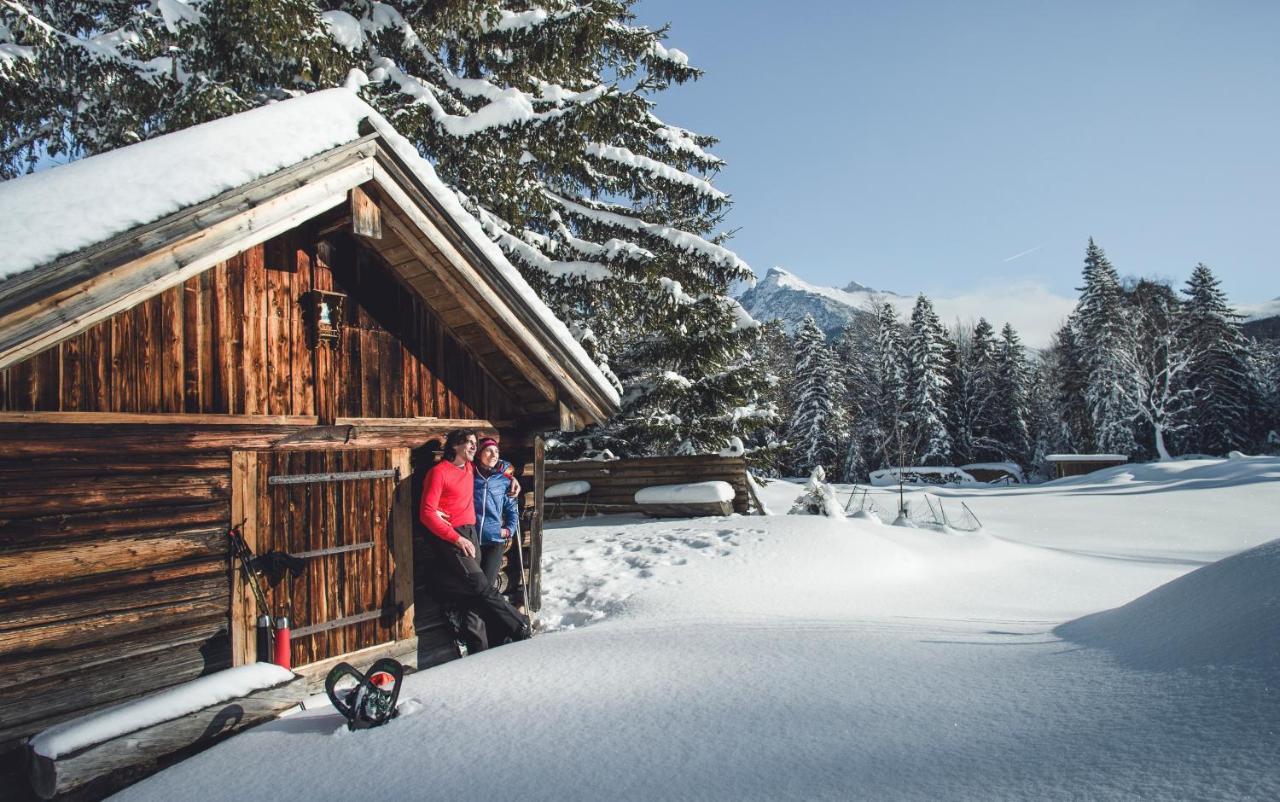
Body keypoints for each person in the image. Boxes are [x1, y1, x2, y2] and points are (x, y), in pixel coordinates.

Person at [420, 429, 530, 651]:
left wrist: (512, 477)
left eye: (474, 443)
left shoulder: (469, 469)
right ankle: (520, 626)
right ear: (454, 446)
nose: (473, 446)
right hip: (454, 535)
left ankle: (479, 647)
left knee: (474, 593)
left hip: (472, 534)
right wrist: (456, 539)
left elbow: (497, 464)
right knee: (480, 586)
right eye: (468, 442)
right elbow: (426, 513)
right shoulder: (439, 472)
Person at [473, 437, 522, 602]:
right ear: (479, 453)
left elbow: (512, 509)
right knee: (474, 587)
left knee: (487, 587)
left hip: (494, 541)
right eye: (488, 450)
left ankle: (512, 623)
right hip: (472, 540)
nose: (493, 455)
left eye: (496, 451)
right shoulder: (470, 475)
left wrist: (509, 530)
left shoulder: (503, 480)